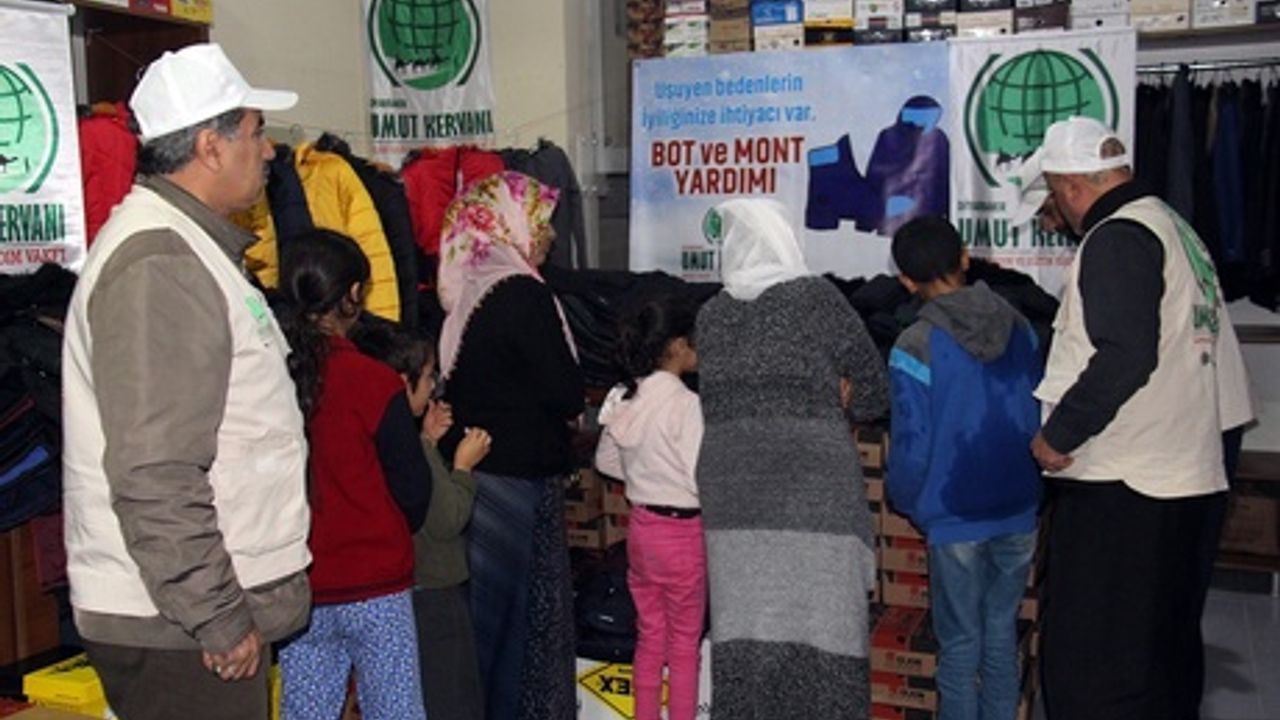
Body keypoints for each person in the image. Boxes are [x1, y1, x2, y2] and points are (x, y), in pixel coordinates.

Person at [60, 43, 308, 720]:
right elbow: (155, 469)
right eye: (256, 132)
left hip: (185, 618)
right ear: (210, 146)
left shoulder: (189, 246)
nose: (269, 151)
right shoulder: (161, 263)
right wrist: (216, 615)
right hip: (179, 627)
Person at [1019, 116, 1240, 720]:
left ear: (1070, 186)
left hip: (1127, 481)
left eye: (1054, 194)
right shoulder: (1170, 224)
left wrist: (1057, 434)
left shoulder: (1116, 237)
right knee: (1159, 651)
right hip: (1177, 473)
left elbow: (1126, 353)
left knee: (1096, 660)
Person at [694, 198, 888, 720]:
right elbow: (874, 390)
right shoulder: (816, 299)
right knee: (827, 632)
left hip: (734, 496)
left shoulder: (711, 316)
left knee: (746, 632)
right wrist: (842, 396)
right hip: (815, 492)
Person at [436, 171, 585, 720]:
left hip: (477, 476)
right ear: (508, 223)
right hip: (518, 482)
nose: (549, 235)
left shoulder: (469, 289)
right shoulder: (523, 293)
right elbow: (565, 391)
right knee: (521, 629)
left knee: (486, 625)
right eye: (540, 221)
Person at [887, 216, 1043, 720]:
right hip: (1019, 503)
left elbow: (912, 445)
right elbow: (1037, 414)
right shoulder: (1021, 328)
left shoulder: (914, 346)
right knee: (999, 632)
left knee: (958, 644)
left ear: (906, 280)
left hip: (953, 512)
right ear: (964, 258)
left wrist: (906, 499)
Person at [274, 229, 431, 720]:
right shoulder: (375, 381)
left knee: (307, 712)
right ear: (355, 295)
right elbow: (413, 490)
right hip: (376, 583)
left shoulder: (272, 375)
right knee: (396, 711)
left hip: (300, 583)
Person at [352, 321, 492, 720]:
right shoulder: (407, 449)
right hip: (431, 594)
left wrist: (429, 439)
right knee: (449, 699)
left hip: (396, 591)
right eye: (429, 377)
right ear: (400, 382)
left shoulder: (371, 436)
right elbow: (446, 518)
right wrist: (463, 468)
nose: (434, 387)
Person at [595, 298, 706, 720]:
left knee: (649, 637)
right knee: (684, 646)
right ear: (677, 346)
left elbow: (606, 461)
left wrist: (645, 473)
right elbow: (699, 478)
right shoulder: (686, 404)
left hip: (642, 530)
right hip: (683, 536)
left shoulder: (628, 396)